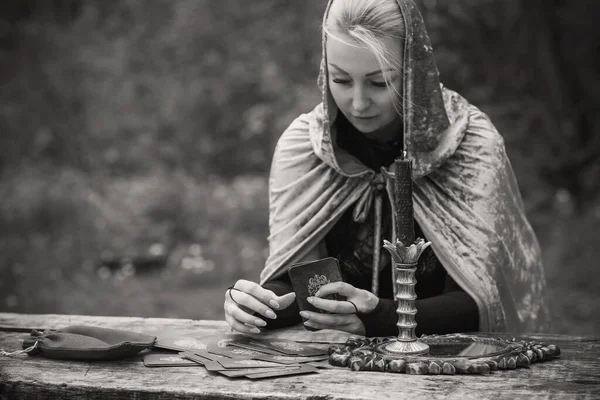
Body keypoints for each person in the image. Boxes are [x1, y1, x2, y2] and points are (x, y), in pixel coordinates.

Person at [223, 0, 550, 337]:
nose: (359, 103)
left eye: (379, 83)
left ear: (413, 71)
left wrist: (379, 317)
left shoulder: (468, 145)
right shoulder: (306, 149)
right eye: (341, 80)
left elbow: (482, 305)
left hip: (454, 368)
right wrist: (258, 306)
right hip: (334, 372)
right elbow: (301, 287)